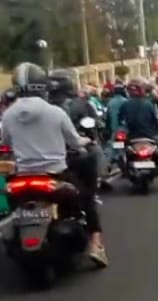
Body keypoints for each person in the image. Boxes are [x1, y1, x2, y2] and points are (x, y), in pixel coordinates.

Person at [2, 62, 108, 266]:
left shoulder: (8, 115)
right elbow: (75, 141)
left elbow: (5, 143)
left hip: (23, 176)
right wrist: (86, 142)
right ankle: (96, 245)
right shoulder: (55, 113)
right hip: (56, 173)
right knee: (87, 198)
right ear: (42, 85)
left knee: (16, 209)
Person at [118, 77, 158, 189]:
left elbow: (120, 120)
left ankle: (123, 169)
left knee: (121, 150)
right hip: (148, 136)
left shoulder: (125, 104)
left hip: (132, 137)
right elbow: (156, 120)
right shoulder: (148, 104)